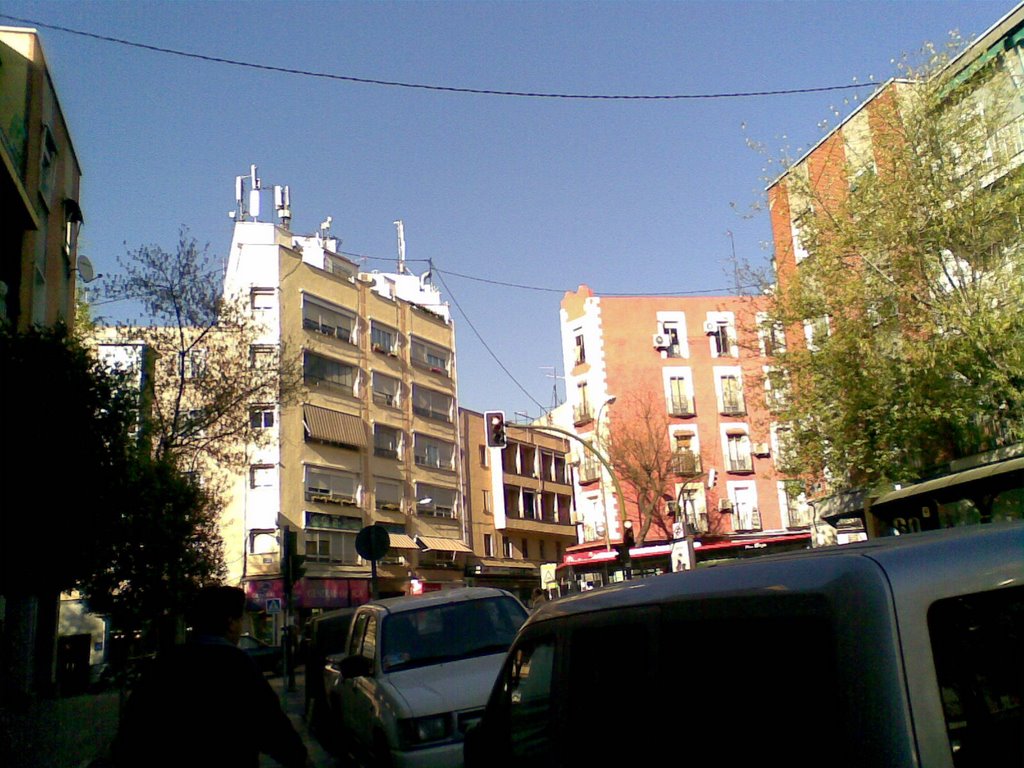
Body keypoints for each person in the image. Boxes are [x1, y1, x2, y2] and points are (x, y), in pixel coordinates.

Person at [112, 586, 308, 768]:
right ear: (231, 623)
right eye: (240, 620)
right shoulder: (237, 665)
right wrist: (298, 758)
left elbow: (133, 730)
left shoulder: (166, 662)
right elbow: (271, 726)